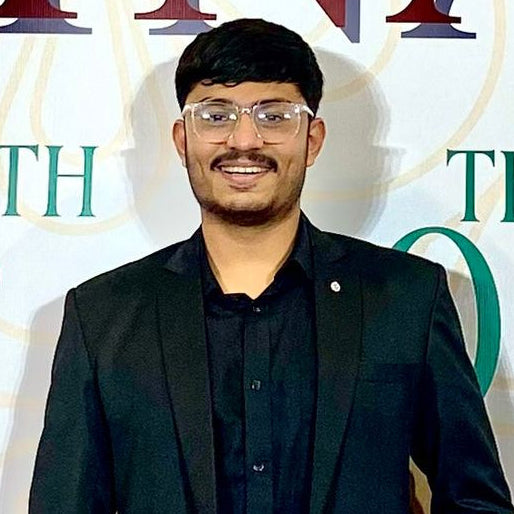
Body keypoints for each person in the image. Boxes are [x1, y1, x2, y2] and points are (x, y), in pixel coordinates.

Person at [30, 18, 512, 514]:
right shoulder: (102, 316)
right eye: (216, 115)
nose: (244, 140)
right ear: (182, 139)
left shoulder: (407, 298)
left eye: (274, 116)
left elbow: (476, 500)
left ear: (313, 139)